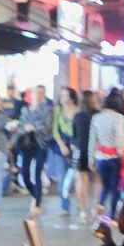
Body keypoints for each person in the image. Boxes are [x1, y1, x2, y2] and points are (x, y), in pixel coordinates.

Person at [90, 93, 124, 217]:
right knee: (115, 187)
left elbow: (92, 139)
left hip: (101, 157)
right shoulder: (119, 118)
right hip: (114, 158)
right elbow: (120, 137)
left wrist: (91, 158)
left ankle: (100, 205)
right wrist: (122, 154)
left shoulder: (96, 117)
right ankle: (112, 214)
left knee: (105, 185)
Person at [15, 87, 51, 212]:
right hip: (26, 143)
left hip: (40, 143)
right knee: (25, 175)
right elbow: (20, 125)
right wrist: (24, 128)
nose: (38, 95)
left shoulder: (47, 109)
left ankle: (37, 202)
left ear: (44, 95)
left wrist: (34, 127)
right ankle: (35, 194)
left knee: (37, 173)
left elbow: (47, 126)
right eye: (36, 92)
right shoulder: (25, 109)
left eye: (41, 93)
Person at [49, 88, 79, 217]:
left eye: (65, 95)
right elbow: (55, 129)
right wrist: (61, 145)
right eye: (61, 95)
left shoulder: (78, 111)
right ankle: (65, 206)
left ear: (72, 97)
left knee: (74, 177)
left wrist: (75, 144)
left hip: (76, 146)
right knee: (61, 178)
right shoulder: (58, 110)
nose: (62, 98)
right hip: (60, 145)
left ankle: (79, 202)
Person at [72, 92, 100, 222]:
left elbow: (74, 134)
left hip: (79, 150)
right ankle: (96, 208)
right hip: (96, 151)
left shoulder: (77, 116)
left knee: (81, 181)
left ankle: (83, 210)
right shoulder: (98, 115)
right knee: (97, 180)